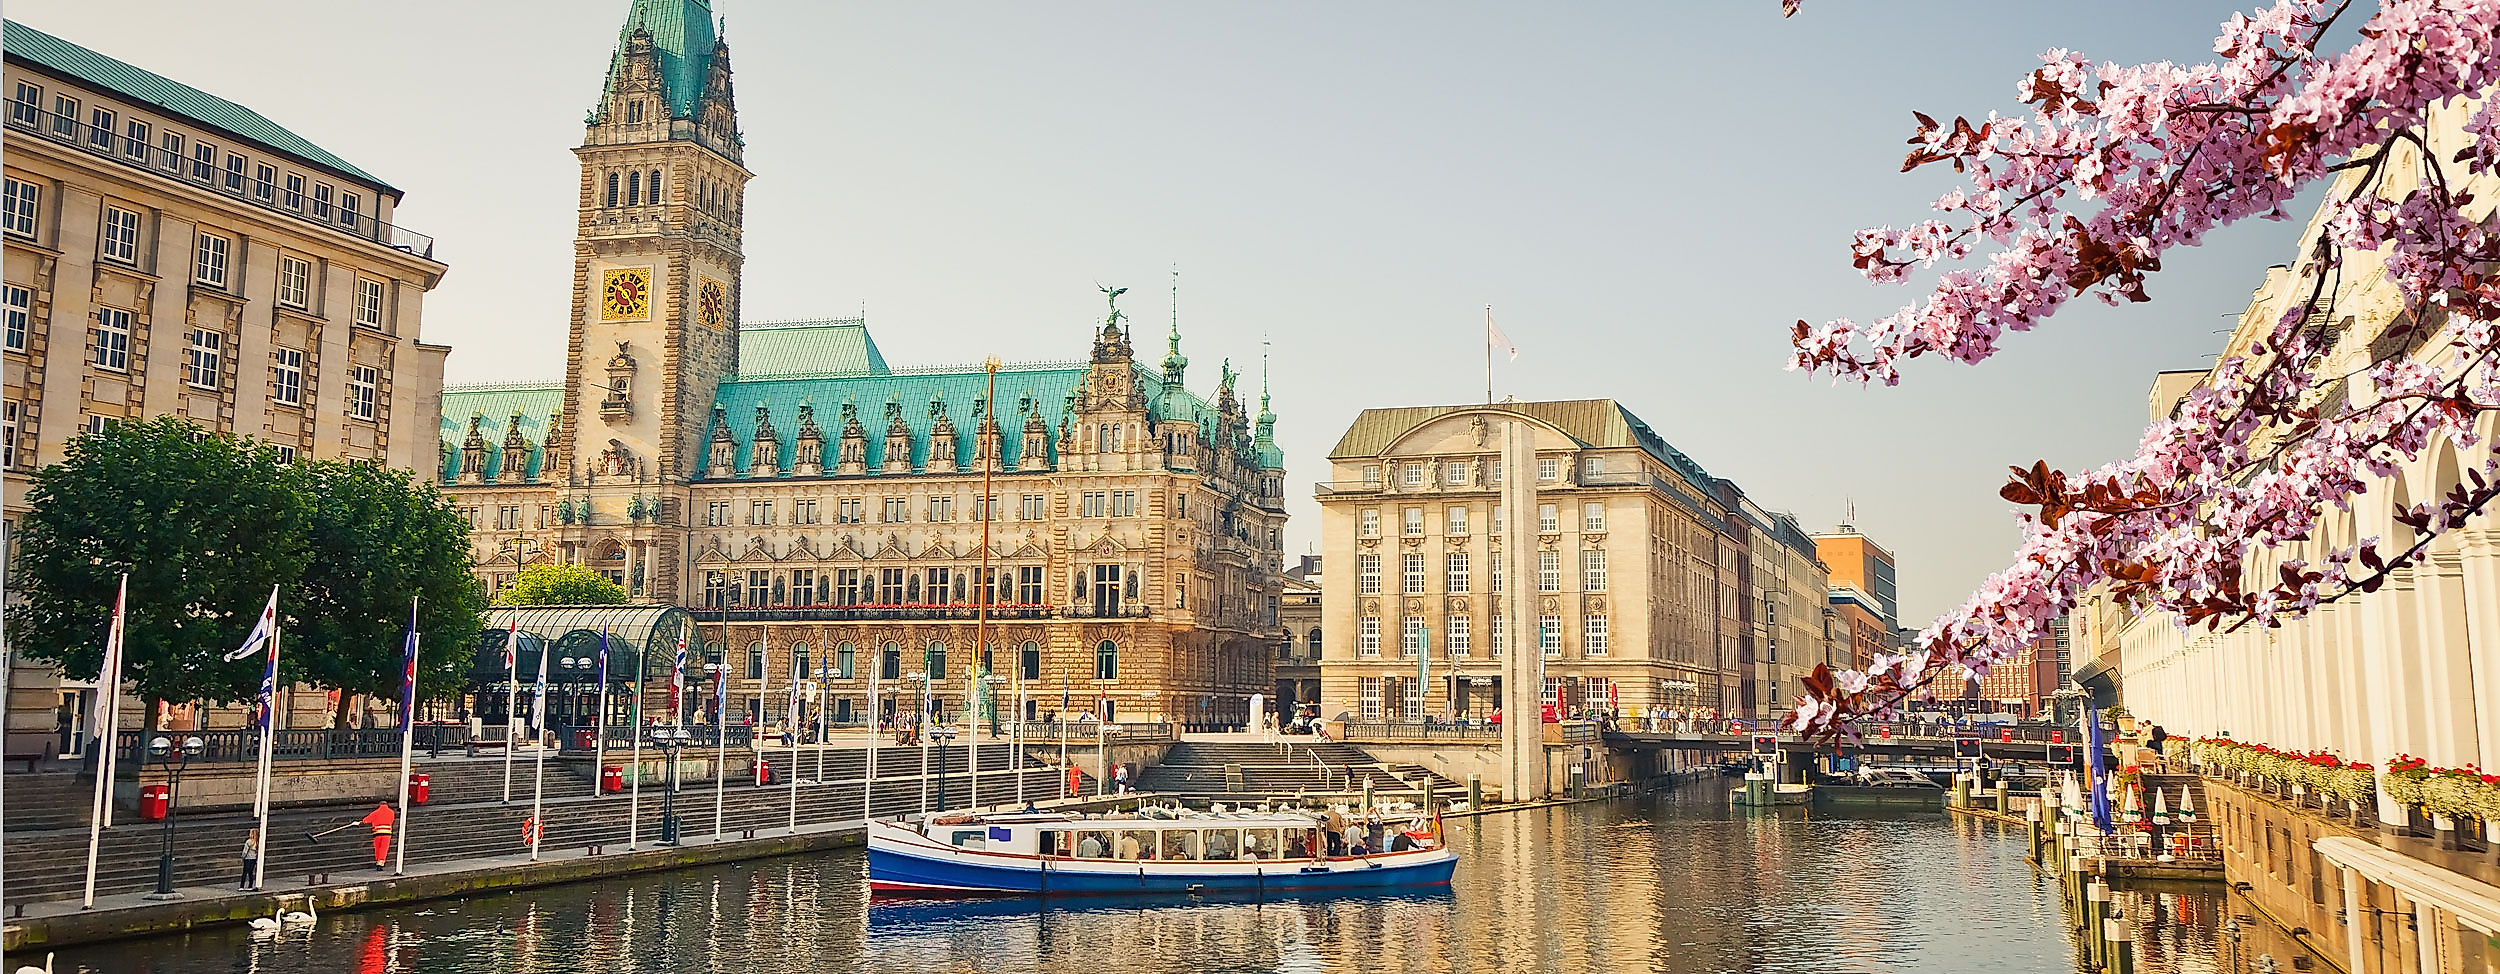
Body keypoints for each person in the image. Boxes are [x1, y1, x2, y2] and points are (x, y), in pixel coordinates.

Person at [357, 801, 397, 870]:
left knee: (377, 848)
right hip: (387, 832)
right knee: (384, 848)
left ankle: (377, 860)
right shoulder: (391, 812)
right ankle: (381, 862)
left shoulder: (376, 812)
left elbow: (367, 819)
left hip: (377, 832)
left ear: (379, 805)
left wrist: (362, 821)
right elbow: (392, 820)